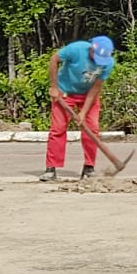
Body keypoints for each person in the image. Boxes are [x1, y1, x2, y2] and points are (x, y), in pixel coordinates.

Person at [42, 35, 116, 181]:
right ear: (91, 49)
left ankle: (89, 168)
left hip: (88, 95)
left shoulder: (108, 63)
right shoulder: (75, 49)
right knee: (58, 129)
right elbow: (54, 59)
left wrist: (83, 112)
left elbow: (96, 88)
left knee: (92, 129)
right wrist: (54, 87)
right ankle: (51, 168)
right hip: (65, 92)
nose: (97, 61)